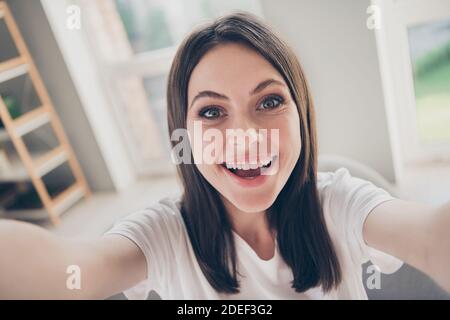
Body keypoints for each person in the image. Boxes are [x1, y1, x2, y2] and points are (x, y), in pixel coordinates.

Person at [0, 12, 449, 300]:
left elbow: (433, 237)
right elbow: (71, 273)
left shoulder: (339, 203)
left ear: (301, 116)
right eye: (212, 111)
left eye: (269, 102)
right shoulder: (162, 236)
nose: (244, 137)